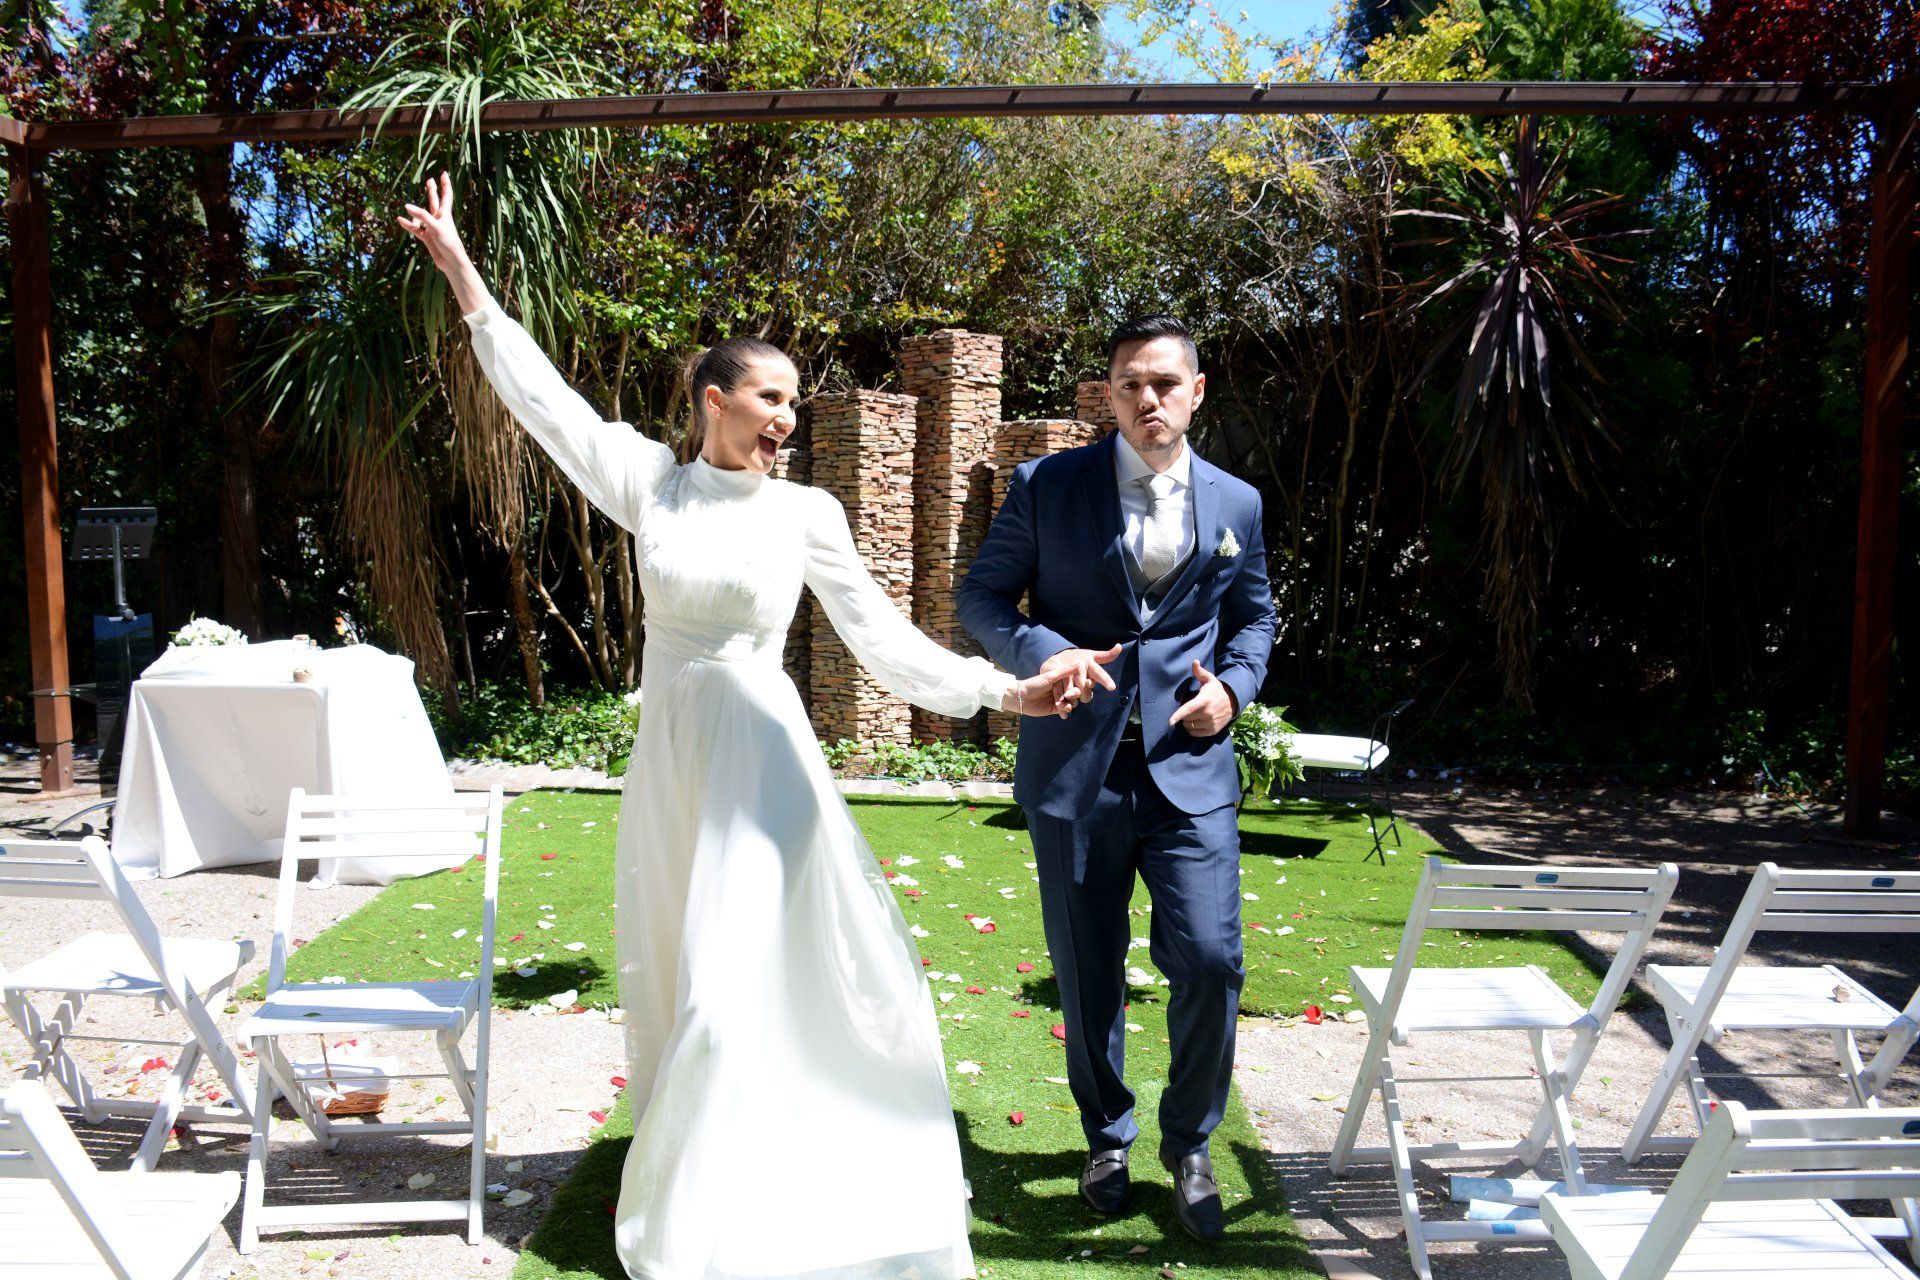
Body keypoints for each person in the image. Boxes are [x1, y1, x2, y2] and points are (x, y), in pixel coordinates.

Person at [400, 173, 1081, 1280]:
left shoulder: (809, 513)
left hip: (765, 767)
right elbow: (545, 403)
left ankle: (769, 1197)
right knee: (685, 976)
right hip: (674, 767)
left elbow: (882, 638)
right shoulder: (651, 488)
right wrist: (466, 279)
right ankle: (715, 1174)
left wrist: (1007, 691)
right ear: (712, 397)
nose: (788, 419)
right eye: (771, 398)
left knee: (738, 983)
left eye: (796, 405)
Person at [955, 316, 1276, 1243]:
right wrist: (1047, 654)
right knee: (1088, 971)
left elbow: (1254, 620)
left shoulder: (1237, 503)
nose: (1149, 399)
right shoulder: (1046, 485)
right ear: (1107, 393)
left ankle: (1189, 1144)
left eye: (1166, 383)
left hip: (1191, 773)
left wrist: (1237, 694)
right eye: (1131, 383)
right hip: (1075, 773)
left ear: (1198, 391)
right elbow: (982, 595)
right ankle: (1106, 1136)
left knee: (1212, 963)